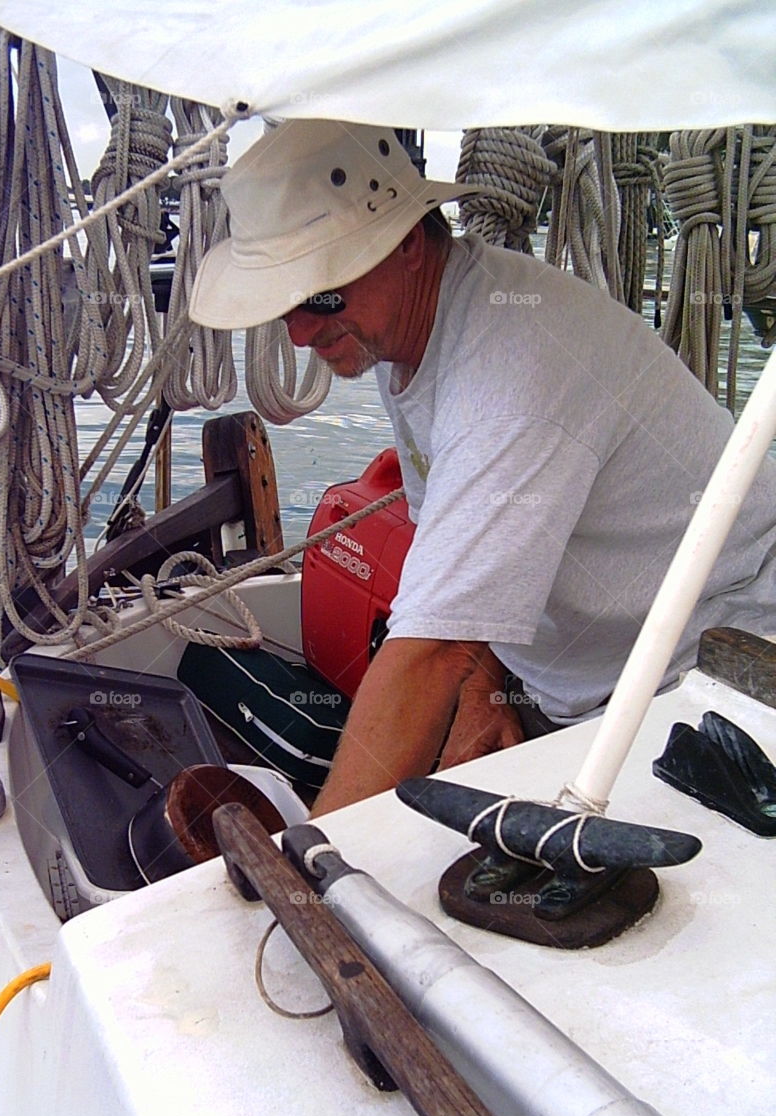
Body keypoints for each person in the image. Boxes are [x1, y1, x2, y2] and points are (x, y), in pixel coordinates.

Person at [189, 119, 776, 816]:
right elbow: (466, 574)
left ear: (406, 242)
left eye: (320, 296)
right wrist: (482, 688)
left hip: (711, 687)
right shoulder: (408, 329)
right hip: (574, 682)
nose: (302, 331)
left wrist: (314, 862)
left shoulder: (511, 370)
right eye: (286, 303)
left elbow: (433, 648)